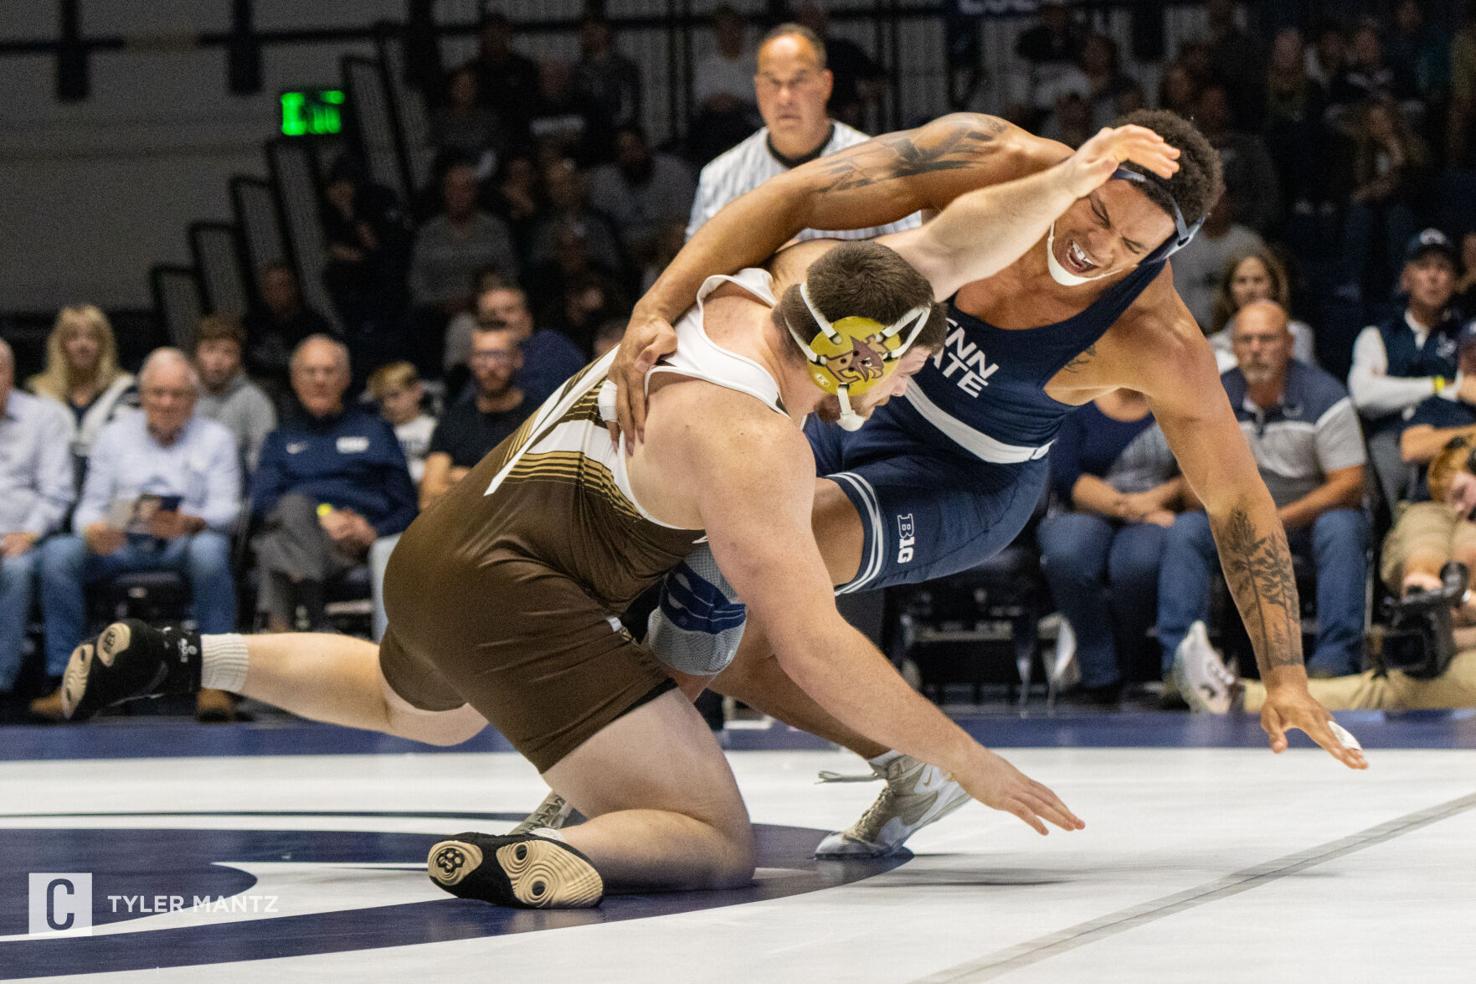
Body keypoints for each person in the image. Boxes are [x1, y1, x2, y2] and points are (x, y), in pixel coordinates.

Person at [59, 219, 1104, 908]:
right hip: (510, 596)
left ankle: (182, 654)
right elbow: (812, 645)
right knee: (712, 837)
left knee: (413, 706)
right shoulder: (755, 446)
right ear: (860, 352)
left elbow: (821, 247)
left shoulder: (722, 304)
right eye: (912, 354)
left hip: (435, 556)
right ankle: (562, 854)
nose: (922, 372)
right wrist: (964, 757)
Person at [603, 111, 1366, 858]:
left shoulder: (1157, 339)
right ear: (1084, 167)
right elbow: (795, 198)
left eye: (1132, 246)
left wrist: (1286, 675)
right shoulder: (991, 156)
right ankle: (912, 766)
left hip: (965, 477)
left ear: (1164, 253)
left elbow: (1237, 500)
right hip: (865, 388)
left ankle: (610, 786)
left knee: (723, 574)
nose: (1096, 247)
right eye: (1095, 212)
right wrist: (656, 307)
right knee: (729, 638)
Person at [1159, 300, 1369, 681]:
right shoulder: (1212, 396)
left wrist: (1277, 519)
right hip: (1233, 517)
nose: (1256, 348)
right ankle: (1181, 669)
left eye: (1267, 339)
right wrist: (1241, 518)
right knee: (1186, 531)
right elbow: (1190, 488)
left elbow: (1350, 483)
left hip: (1304, 518)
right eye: (1247, 340)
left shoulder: (1325, 396)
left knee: (1343, 527)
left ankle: (1336, 659)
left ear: (1289, 343)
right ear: (1233, 347)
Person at [37, 349, 242, 722]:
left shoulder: (216, 438)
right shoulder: (114, 436)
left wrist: (190, 521)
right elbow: (89, 505)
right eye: (157, 393)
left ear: (193, 399)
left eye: (176, 395)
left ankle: (216, 683)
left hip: (184, 542)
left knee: (212, 551)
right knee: (57, 555)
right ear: (142, 396)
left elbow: (228, 509)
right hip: (121, 543)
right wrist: (93, 529)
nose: (166, 403)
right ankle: (65, 681)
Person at [686, 23, 919, 243]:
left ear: (826, 84)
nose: (784, 97)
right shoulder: (719, 178)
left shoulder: (879, 165)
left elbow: (916, 262)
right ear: (757, 88)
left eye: (798, 81)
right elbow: (697, 279)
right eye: (773, 83)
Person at [249, 336, 416, 632]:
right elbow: (263, 504)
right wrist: (322, 516)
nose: (320, 380)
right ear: (294, 379)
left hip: (357, 546)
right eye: (310, 372)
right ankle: (317, 620)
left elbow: (406, 506)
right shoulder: (280, 439)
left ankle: (285, 642)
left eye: (329, 371)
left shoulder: (376, 431)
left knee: (274, 549)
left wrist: (373, 530)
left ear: (346, 378)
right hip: (310, 537)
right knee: (291, 510)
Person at [1039, 388, 1184, 704]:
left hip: (1155, 509)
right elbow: (1065, 473)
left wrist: (1152, 501)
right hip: (1084, 507)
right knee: (1068, 555)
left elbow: (1197, 471)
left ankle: (1128, 666)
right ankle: (1099, 673)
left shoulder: (1176, 399)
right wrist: (1127, 507)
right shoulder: (1078, 398)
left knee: (1138, 566)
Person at [1348, 228, 1464, 508]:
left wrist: (1394, 390)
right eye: (1423, 267)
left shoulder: (1467, 337)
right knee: (1383, 455)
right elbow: (1364, 396)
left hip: (1447, 441)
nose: (1433, 276)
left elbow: (1470, 389)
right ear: (1406, 278)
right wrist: (1438, 386)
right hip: (1388, 444)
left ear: (1454, 280)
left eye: (1443, 268)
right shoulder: (1376, 335)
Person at [0, 339, 75, 709]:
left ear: (9, 374)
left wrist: (27, 534)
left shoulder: (42, 417)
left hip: (28, 539)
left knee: (16, 571)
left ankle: (3, 682)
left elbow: (56, 493)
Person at [419, 322, 530, 511]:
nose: (491, 366)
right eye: (482, 356)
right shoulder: (453, 421)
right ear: (471, 360)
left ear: (517, 358)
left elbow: (537, 495)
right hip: (463, 534)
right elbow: (428, 500)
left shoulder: (540, 417)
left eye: (500, 355)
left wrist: (464, 477)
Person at [27, 304, 137, 484]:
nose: (82, 345)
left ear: (104, 344)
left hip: (111, 486)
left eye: (91, 337)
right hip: (50, 488)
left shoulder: (125, 389)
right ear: (60, 344)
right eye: (73, 337)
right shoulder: (37, 391)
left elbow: (128, 450)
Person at [587, 126, 697, 266]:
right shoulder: (604, 181)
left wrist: (656, 246)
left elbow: (685, 222)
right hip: (624, 260)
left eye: (635, 147)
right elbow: (600, 230)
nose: (631, 156)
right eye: (623, 150)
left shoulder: (674, 171)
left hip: (668, 255)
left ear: (646, 146)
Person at [470, 285, 584, 407]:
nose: (501, 318)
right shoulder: (482, 360)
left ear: (527, 317)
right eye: (492, 314)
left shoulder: (550, 346)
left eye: (509, 310)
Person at [1206, 251, 1316, 372]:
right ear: (1229, 290)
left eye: (1258, 280)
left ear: (1273, 288)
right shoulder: (1213, 345)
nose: (1250, 289)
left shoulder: (1297, 334)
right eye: (1241, 281)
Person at [1169, 191, 1264, 331]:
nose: (1214, 208)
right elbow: (1175, 293)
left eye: (1220, 202)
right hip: (1191, 327)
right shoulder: (1183, 245)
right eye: (1208, 203)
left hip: (1241, 323)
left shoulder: (1249, 241)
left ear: (1232, 205)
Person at [194, 314, 277, 473]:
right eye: (210, 350)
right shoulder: (180, 396)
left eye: (228, 352)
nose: (218, 360)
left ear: (239, 359)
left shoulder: (254, 400)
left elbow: (263, 462)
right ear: (196, 354)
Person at [242, 262, 334, 397]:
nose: (276, 292)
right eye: (270, 287)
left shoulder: (314, 323)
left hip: (304, 392)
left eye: (282, 285)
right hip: (262, 392)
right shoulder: (252, 323)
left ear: (294, 287)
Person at [366, 362, 437, 485]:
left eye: (395, 395)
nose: (389, 404)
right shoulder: (375, 433)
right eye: (382, 400)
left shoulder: (435, 428)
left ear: (417, 391)